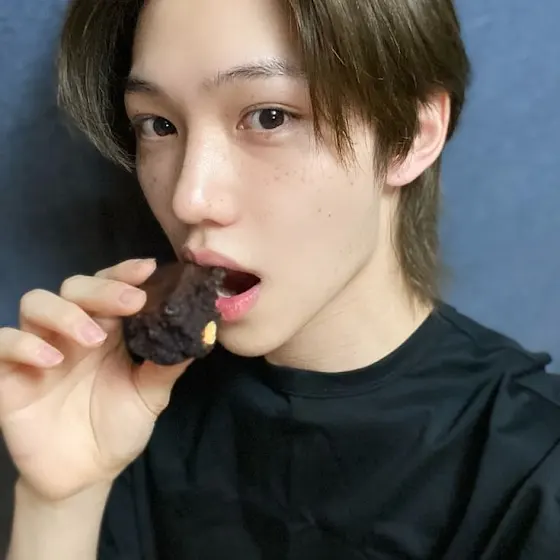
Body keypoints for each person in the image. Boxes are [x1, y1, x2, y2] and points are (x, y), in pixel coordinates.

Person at [2, 0, 559, 558]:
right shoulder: (121, 406)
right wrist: (60, 502)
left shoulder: (533, 473)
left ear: (412, 133)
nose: (190, 197)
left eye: (269, 117)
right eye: (158, 125)